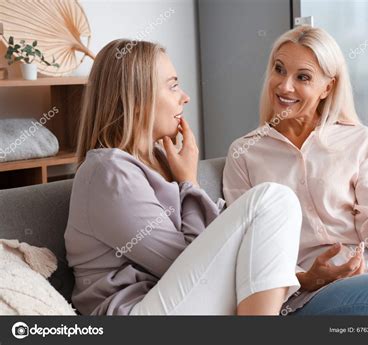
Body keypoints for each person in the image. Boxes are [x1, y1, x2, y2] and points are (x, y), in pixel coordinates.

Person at [64, 39, 304, 315]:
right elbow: (185, 263)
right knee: (275, 198)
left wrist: (186, 181)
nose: (185, 97)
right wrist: (189, 182)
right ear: (137, 98)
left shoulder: (160, 161)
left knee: (277, 203)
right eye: (173, 85)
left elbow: (205, 260)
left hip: (173, 301)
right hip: (134, 313)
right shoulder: (108, 172)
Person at [223, 26, 368, 315]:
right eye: (279, 70)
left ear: (327, 87)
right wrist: (308, 278)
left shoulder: (359, 140)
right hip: (308, 293)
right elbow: (246, 251)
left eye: (303, 77)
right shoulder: (245, 153)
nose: (285, 86)